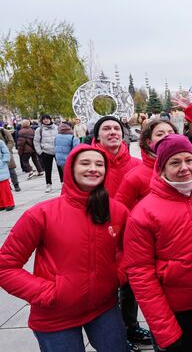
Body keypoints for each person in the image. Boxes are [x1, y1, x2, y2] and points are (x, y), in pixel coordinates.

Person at [0, 145, 129, 351]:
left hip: (103, 308)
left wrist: (117, 276)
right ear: (70, 169)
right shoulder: (42, 214)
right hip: (55, 315)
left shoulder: (117, 211)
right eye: (85, 163)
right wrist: (48, 292)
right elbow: (5, 266)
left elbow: (130, 251)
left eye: (99, 164)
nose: (93, 168)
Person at [124, 134, 192, 352]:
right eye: (175, 162)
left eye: (188, 160)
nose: (185, 168)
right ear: (161, 168)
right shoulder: (144, 212)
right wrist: (164, 328)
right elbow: (140, 273)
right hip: (175, 309)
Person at [91, 116, 144, 351]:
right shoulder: (89, 162)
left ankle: (130, 326)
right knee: (107, 286)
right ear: (97, 136)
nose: (113, 132)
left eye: (116, 128)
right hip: (99, 233)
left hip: (130, 233)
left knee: (131, 284)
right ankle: (115, 335)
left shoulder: (135, 164)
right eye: (106, 128)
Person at [115, 119, 177, 210]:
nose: (167, 137)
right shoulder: (135, 177)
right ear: (149, 142)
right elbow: (118, 211)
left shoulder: (189, 167)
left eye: (171, 133)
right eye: (160, 134)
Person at [33, 114, 61, 193]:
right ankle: (48, 184)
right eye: (44, 119)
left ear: (50, 119)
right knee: (48, 170)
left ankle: (63, 183)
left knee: (61, 169)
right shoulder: (39, 130)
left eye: (47, 118)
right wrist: (40, 152)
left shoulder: (57, 128)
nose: (46, 120)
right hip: (46, 152)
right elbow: (36, 141)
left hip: (57, 151)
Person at [0, 125, 21, 191]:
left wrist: (6, 149)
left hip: (7, 153)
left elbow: (11, 141)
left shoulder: (4, 131)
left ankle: (16, 184)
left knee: (12, 171)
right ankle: (7, 185)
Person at [0, 139, 15, 211]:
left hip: (1, 168)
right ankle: (1, 204)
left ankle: (9, 203)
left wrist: (2, 162)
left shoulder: (0, 142)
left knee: (5, 188)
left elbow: (6, 153)